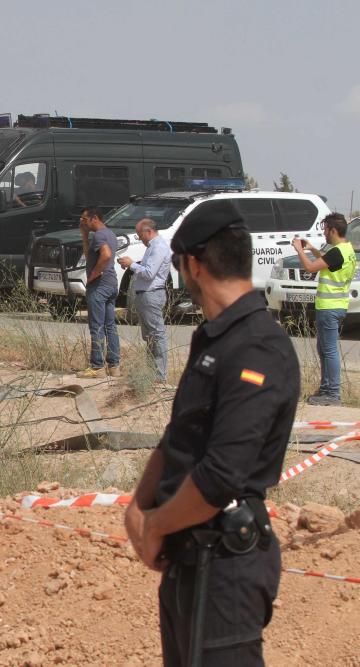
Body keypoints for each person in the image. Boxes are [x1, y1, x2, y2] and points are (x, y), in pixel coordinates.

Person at [124, 199, 299, 666]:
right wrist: (137, 507)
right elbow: (178, 435)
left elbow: (222, 475)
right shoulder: (214, 338)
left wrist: (155, 524)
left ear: (194, 265)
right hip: (188, 557)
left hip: (226, 565)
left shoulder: (258, 347)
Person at [292, 212, 356, 406]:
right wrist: (311, 248)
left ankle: (332, 393)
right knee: (324, 348)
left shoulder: (338, 252)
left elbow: (311, 268)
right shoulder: (345, 250)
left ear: (333, 230)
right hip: (334, 306)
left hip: (330, 307)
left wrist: (299, 251)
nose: (324, 233)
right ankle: (326, 389)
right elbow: (328, 263)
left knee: (329, 350)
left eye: (326, 230)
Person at [118, 218, 172, 381]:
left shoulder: (159, 247)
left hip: (152, 294)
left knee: (156, 335)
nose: (138, 237)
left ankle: (159, 375)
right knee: (149, 336)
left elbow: (149, 273)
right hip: (145, 295)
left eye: (139, 234)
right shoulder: (152, 247)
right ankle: (152, 372)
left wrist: (132, 264)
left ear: (148, 231)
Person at [76, 207, 121, 378]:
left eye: (84, 219)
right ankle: (114, 366)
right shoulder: (110, 234)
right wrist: (84, 236)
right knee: (110, 325)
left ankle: (97, 367)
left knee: (96, 326)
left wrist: (94, 274)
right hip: (111, 284)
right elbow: (90, 256)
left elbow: (106, 255)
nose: (82, 222)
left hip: (100, 286)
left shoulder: (100, 235)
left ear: (94, 218)